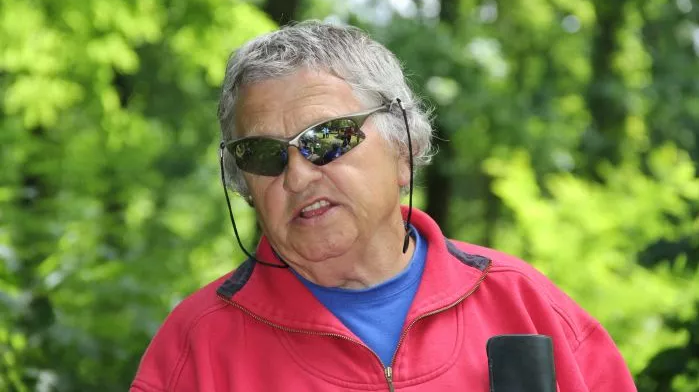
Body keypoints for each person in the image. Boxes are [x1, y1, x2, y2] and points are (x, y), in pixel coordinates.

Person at [131, 21, 636, 391]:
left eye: (328, 138)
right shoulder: (197, 347)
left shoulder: (526, 307)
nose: (298, 175)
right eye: (264, 154)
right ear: (244, 184)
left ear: (403, 148)